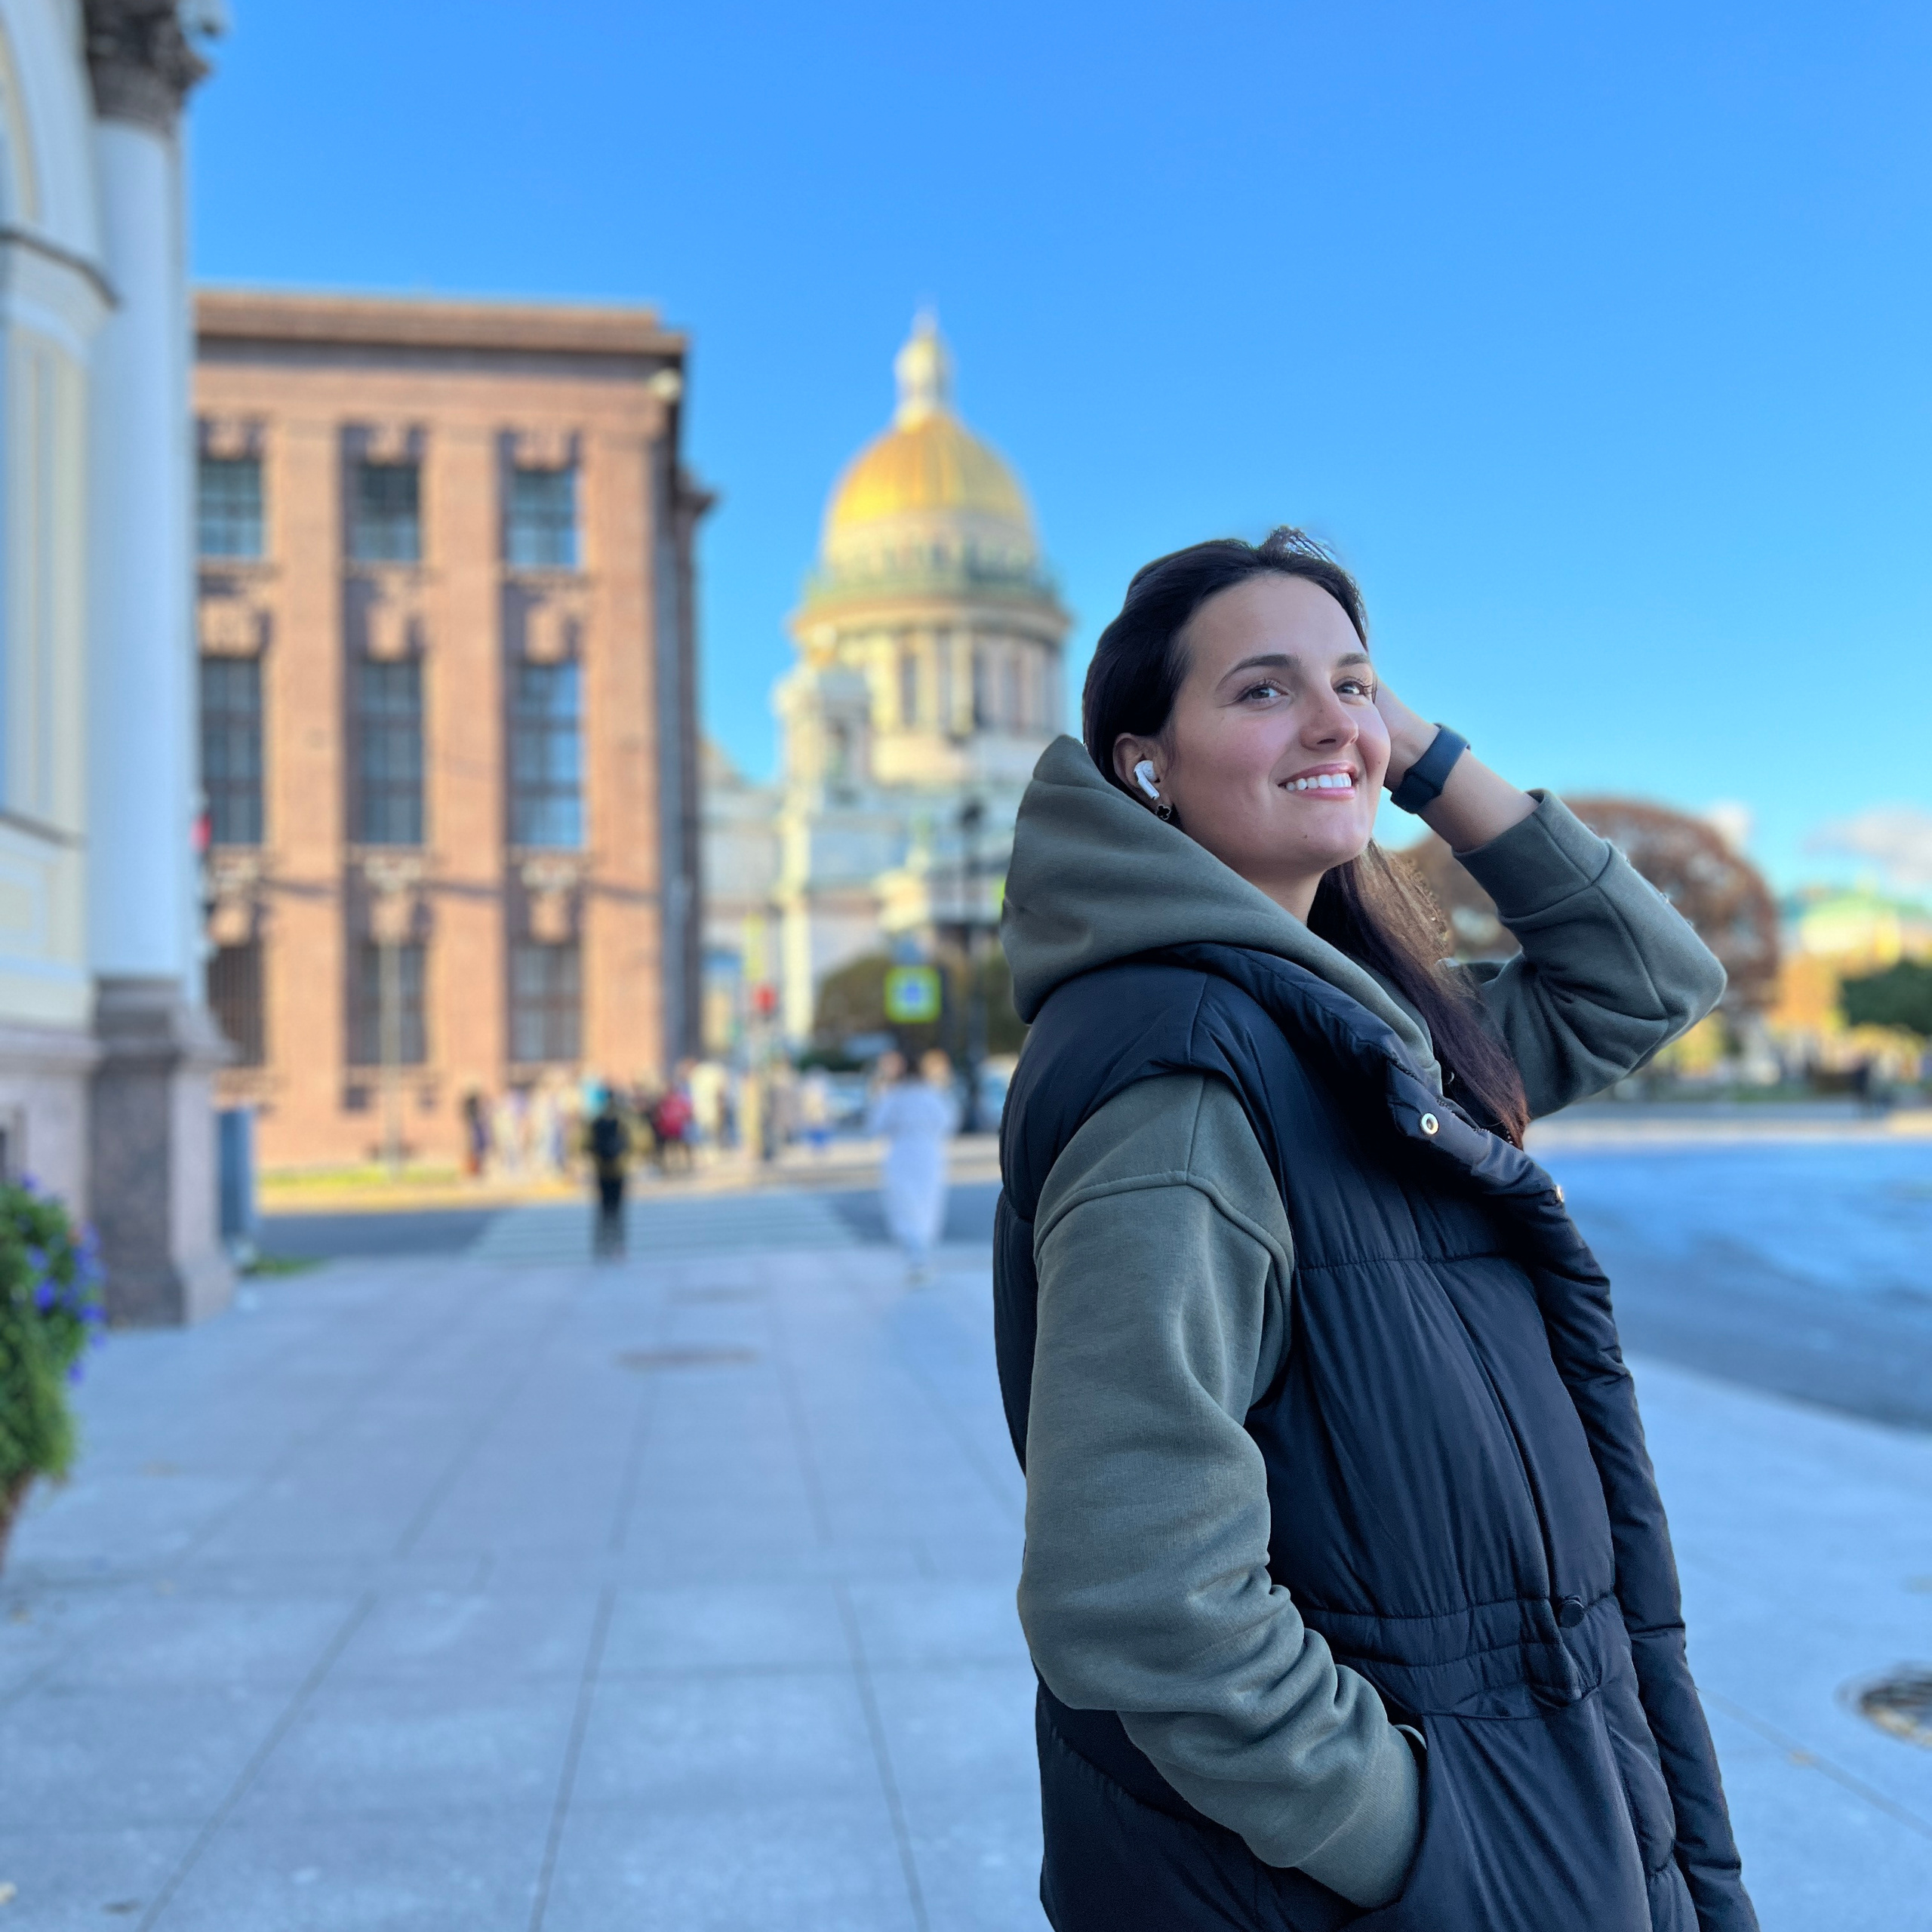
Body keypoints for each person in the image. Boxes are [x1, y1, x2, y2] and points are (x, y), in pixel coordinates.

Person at [996, 530, 1755, 1931]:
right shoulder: (1185, 1072)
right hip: (1386, 1873)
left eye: (1354, 683)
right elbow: (1140, 1595)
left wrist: (1394, 746)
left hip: (1520, 1802)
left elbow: (1646, 980)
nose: (1334, 718)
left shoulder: (1361, 1031)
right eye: (1262, 689)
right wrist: (1423, 1842)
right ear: (1146, 765)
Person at [868, 1047, 958, 1283]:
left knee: (904, 1204)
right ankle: (922, 1255)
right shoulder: (932, 1095)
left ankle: (915, 1255)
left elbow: (875, 1125)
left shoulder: (893, 1096)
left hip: (901, 1154)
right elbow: (947, 1122)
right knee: (927, 1203)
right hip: (928, 1155)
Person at [585, 1090, 631, 1258]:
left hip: (603, 1170)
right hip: (617, 1170)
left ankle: (603, 1245)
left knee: (604, 1210)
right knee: (617, 1211)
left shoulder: (596, 1121)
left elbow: (585, 1144)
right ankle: (617, 1245)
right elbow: (637, 1141)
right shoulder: (623, 1121)